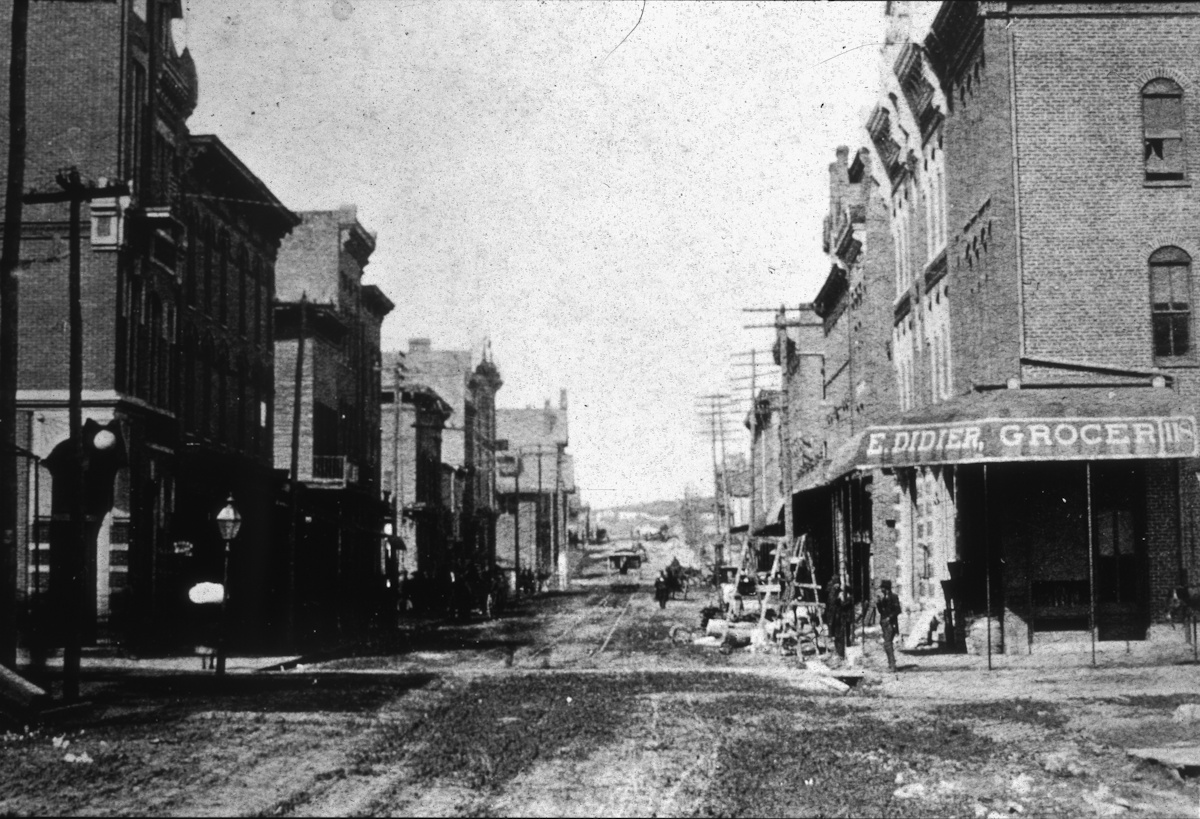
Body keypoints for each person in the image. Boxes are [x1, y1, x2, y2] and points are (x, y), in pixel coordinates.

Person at [876, 579, 902, 672]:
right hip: (884, 623)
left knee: (888, 643)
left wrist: (889, 617)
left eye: (882, 588)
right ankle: (890, 664)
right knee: (887, 644)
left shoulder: (894, 597)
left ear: (886, 588)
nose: (881, 590)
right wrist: (879, 603)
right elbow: (881, 611)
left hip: (891, 623)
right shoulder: (883, 599)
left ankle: (893, 665)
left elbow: (898, 610)